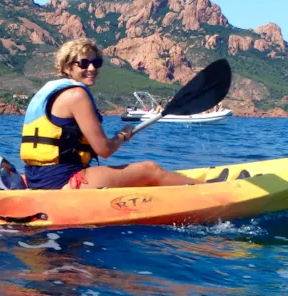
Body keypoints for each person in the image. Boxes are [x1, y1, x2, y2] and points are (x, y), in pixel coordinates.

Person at [19, 38, 210, 190]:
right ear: (67, 68)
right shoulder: (77, 95)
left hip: (37, 179)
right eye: (84, 63)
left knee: (138, 176)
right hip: (63, 181)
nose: (92, 68)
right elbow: (105, 150)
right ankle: (213, 191)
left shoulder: (49, 92)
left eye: (96, 62)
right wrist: (121, 136)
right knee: (150, 170)